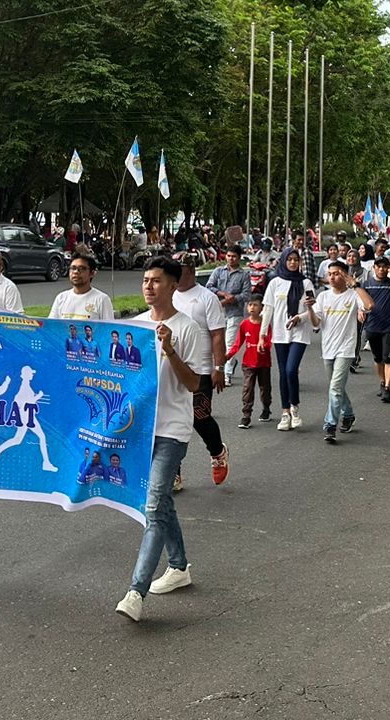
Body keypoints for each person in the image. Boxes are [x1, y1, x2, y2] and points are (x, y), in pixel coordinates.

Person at [115, 256, 204, 623]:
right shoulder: (133, 327)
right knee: (160, 502)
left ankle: (136, 591)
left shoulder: (187, 328)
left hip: (172, 430)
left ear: (172, 284)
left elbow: (194, 384)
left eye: (156, 280)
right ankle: (179, 566)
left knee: (152, 507)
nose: (148, 286)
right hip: (139, 429)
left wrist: (169, 350)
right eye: (145, 280)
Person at [171, 260, 229, 487]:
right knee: (171, 420)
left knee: (199, 416)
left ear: (191, 271)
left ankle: (217, 452)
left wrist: (219, 367)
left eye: (180, 272)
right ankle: (173, 472)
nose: (175, 277)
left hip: (201, 368)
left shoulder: (207, 298)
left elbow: (217, 334)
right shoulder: (169, 296)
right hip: (172, 366)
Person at [312, 261, 374, 444]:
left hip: (346, 349)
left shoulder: (353, 295)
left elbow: (370, 305)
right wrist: (307, 310)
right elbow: (316, 321)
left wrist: (354, 284)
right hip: (328, 348)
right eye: (330, 273)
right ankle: (348, 414)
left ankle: (330, 424)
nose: (332, 277)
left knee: (335, 388)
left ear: (345, 275)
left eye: (337, 273)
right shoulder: (323, 297)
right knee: (336, 387)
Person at [262, 247, 316, 431]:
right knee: (283, 372)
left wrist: (299, 317)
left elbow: (311, 310)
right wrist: (262, 334)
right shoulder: (275, 282)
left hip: (299, 332)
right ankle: (285, 413)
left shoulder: (306, 283)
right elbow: (268, 309)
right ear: (284, 261)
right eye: (289, 259)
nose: (293, 263)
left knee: (292, 369)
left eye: (296, 260)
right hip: (279, 333)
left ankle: (295, 407)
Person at [362, 256, 390, 401]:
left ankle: (387, 388)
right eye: (378, 266)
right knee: (378, 358)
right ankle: (382, 381)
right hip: (372, 325)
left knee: (389, 358)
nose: (381, 269)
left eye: (384, 266)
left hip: (389, 326)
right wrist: (360, 311)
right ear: (374, 268)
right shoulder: (367, 284)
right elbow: (359, 301)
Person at [227, 294, 273, 427]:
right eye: (250, 305)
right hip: (248, 363)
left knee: (265, 388)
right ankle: (246, 415)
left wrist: (263, 346)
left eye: (255, 305)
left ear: (261, 308)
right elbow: (237, 343)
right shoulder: (244, 324)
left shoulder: (265, 324)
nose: (252, 307)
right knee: (248, 388)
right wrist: (228, 356)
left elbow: (269, 342)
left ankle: (266, 409)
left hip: (264, 362)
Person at [205, 247, 251, 379]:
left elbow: (247, 295)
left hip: (235, 312)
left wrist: (232, 299)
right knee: (217, 342)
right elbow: (209, 286)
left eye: (234, 256)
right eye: (229, 256)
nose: (231, 259)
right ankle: (222, 365)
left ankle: (227, 374)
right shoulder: (218, 271)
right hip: (216, 312)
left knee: (230, 343)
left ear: (239, 258)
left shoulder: (244, 275)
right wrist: (223, 294)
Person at [50, 253, 115, 323]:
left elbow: (109, 329)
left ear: (92, 273)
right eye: (73, 268)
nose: (76, 272)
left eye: (81, 269)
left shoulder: (102, 299)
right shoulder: (61, 298)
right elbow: (51, 326)